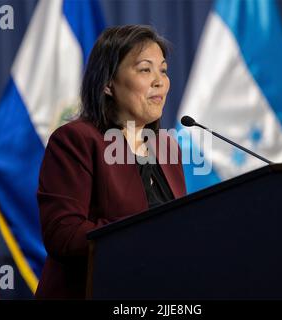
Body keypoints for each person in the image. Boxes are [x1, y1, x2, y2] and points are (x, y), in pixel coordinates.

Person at [35, 25, 187, 299]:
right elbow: (64, 235)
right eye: (145, 69)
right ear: (108, 83)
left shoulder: (167, 148)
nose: (159, 81)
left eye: (163, 70)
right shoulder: (75, 140)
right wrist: (145, 236)